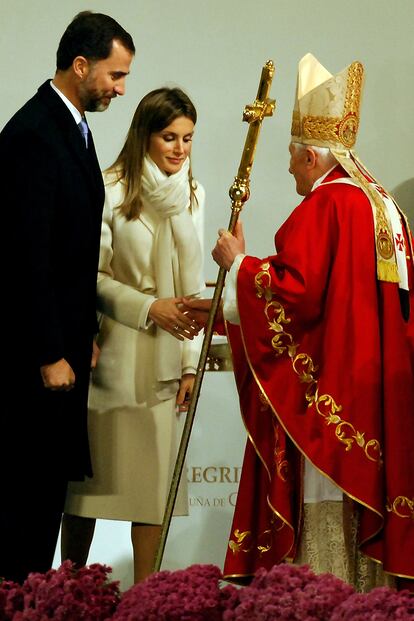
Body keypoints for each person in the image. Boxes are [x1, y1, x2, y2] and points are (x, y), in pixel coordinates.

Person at [184, 54, 414, 590]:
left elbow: (298, 293)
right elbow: (343, 302)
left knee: (325, 517)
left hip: (333, 393)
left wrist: (236, 264)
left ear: (312, 156)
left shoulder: (327, 206)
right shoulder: (385, 207)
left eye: (291, 158)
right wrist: (221, 310)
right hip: (381, 398)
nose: (288, 168)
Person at [0, 11, 134, 584]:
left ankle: (29, 596)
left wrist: (84, 336)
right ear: (81, 66)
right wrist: (50, 351)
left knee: (44, 497)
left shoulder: (70, 125)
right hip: (34, 363)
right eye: (115, 74)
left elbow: (69, 250)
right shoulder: (34, 134)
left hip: (64, 347)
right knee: (24, 502)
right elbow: (23, 258)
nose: (121, 88)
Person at [61, 87, 205, 583]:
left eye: (187, 138)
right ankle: (70, 593)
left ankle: (146, 600)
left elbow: (192, 291)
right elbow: (91, 278)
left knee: (153, 493)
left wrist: (190, 363)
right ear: (145, 134)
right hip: (115, 357)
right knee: (87, 493)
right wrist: (148, 307)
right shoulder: (112, 188)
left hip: (167, 361)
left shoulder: (194, 193)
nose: (180, 149)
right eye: (170, 137)